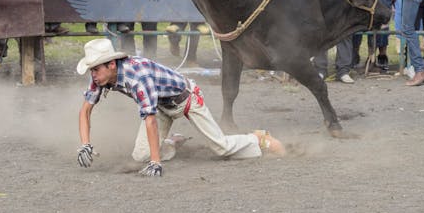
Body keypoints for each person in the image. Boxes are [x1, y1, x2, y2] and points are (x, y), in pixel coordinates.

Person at [75, 39, 284, 177]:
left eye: (95, 69)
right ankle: (173, 142)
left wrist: (156, 163)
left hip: (187, 99)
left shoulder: (138, 77)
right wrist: (85, 144)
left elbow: (149, 119)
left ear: (111, 65)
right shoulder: (101, 78)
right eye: (91, 70)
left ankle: (258, 139)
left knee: (221, 148)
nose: (92, 74)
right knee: (140, 156)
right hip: (161, 105)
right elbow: (85, 110)